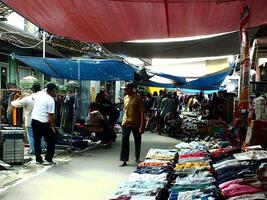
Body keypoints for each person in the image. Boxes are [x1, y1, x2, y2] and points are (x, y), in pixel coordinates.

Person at [11, 83, 46, 154]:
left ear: (32, 89)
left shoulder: (28, 99)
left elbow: (16, 104)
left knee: (31, 136)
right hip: (41, 120)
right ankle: (42, 148)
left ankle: (33, 150)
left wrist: (17, 99)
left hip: (30, 120)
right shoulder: (44, 98)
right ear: (39, 89)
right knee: (41, 135)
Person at [119, 82, 145, 167]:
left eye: (126, 89)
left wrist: (142, 125)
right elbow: (125, 110)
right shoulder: (126, 97)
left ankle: (137, 158)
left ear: (131, 88)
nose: (125, 91)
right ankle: (124, 160)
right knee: (124, 141)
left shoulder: (138, 97)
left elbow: (142, 112)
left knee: (137, 141)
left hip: (136, 123)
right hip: (126, 123)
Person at [31, 82, 57, 165]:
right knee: (51, 141)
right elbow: (50, 116)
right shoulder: (50, 100)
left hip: (34, 121)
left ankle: (38, 159)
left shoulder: (38, 94)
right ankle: (48, 159)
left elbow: (33, 97)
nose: (56, 93)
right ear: (52, 90)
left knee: (37, 141)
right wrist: (52, 126)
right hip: (44, 123)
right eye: (55, 91)